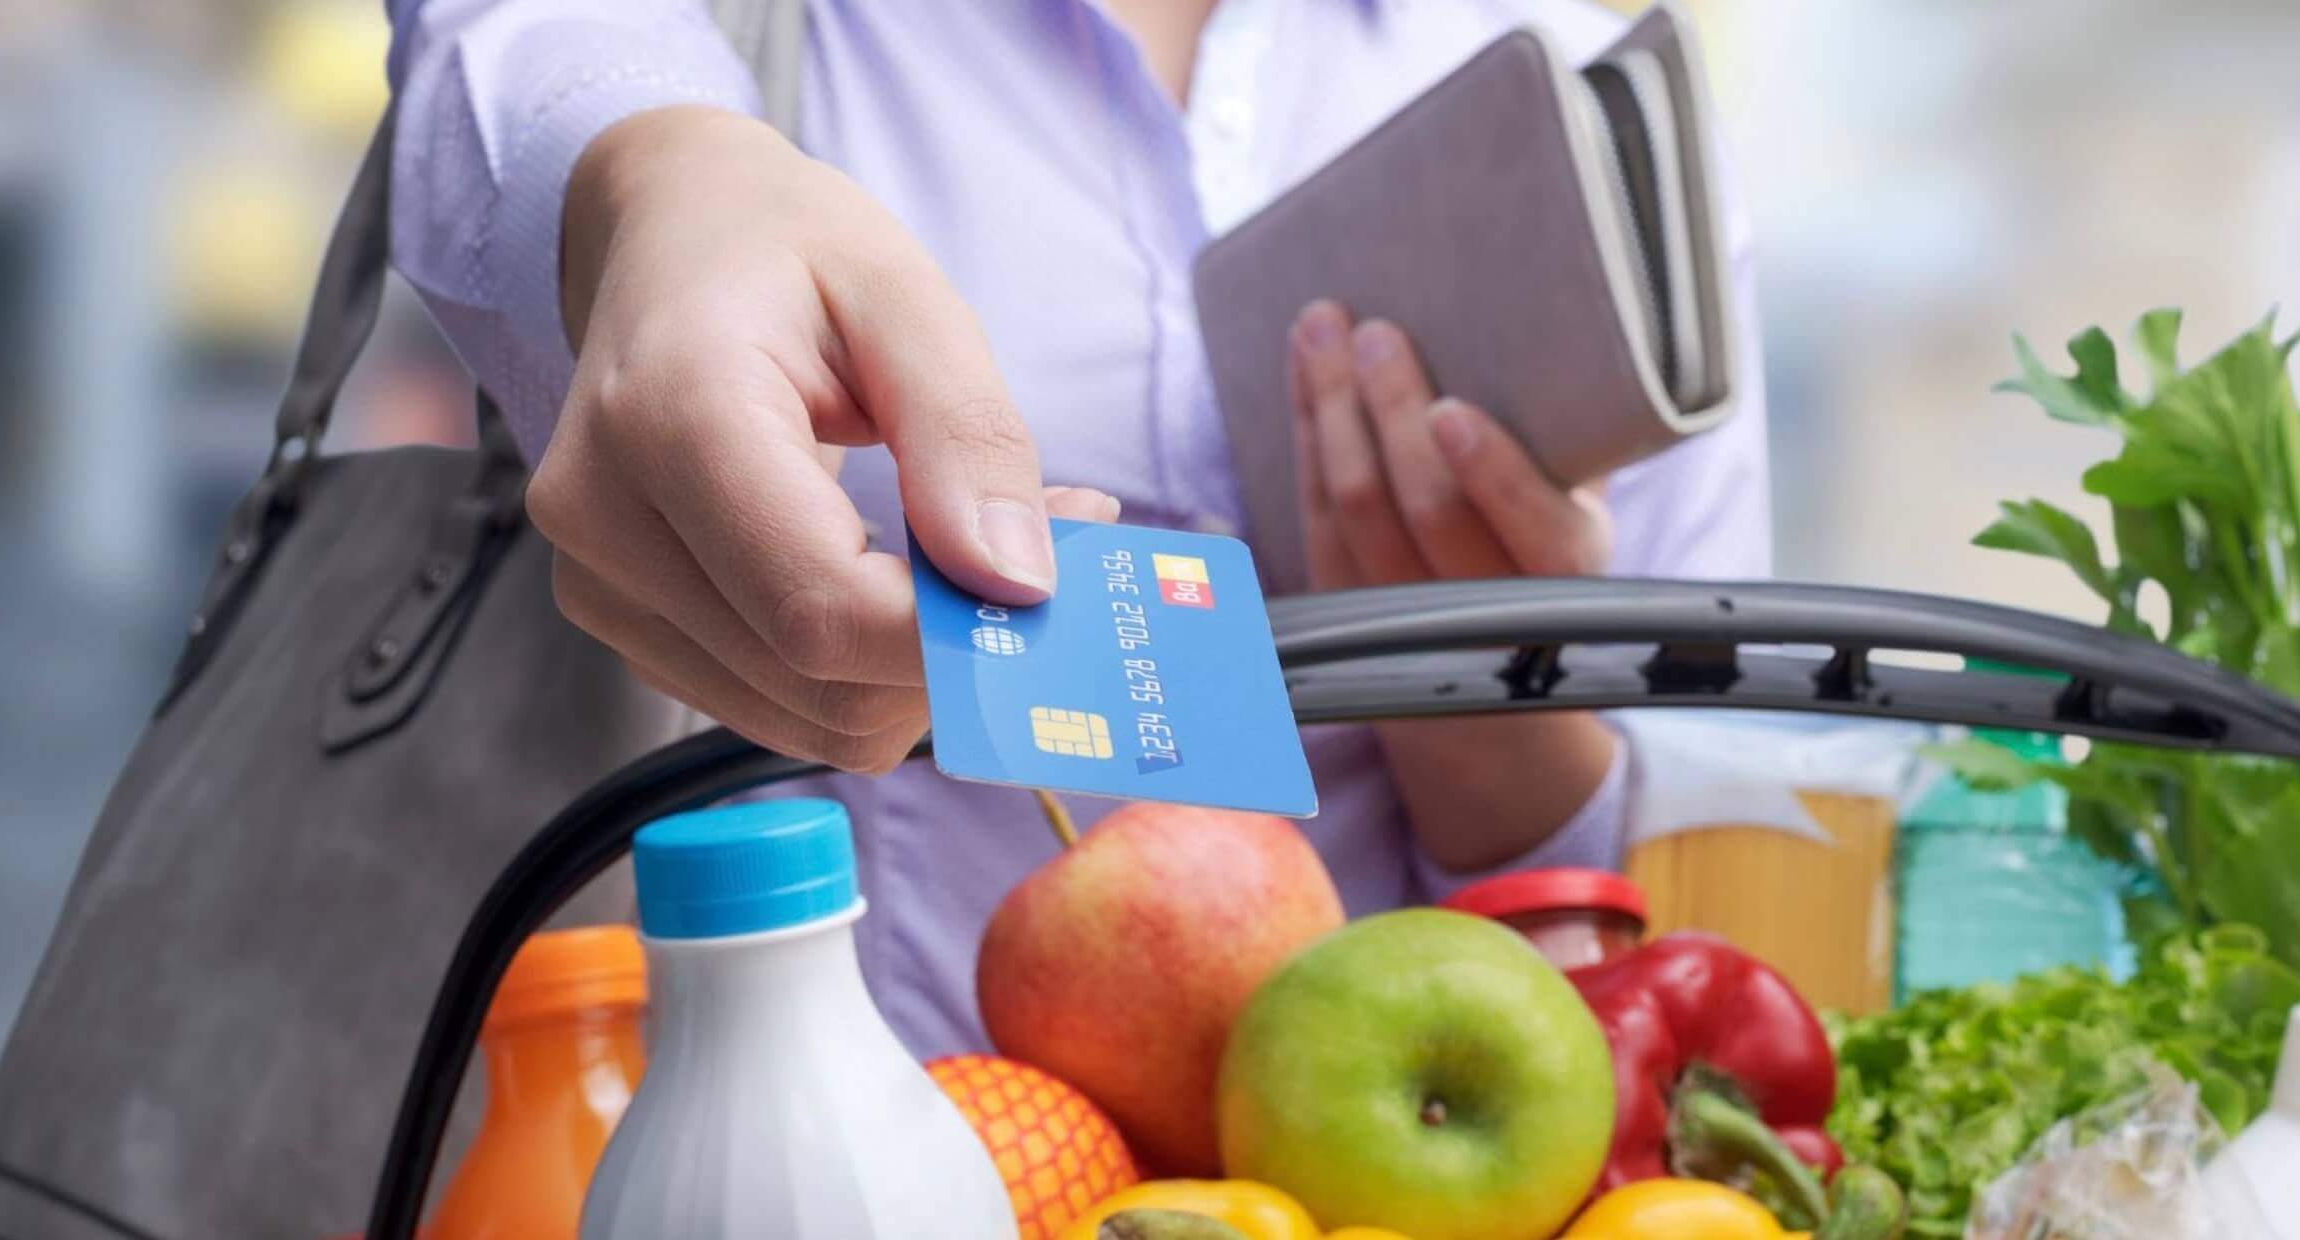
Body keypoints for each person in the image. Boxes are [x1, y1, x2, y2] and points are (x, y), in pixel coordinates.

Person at [385, 0, 1771, 1058]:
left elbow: (1713, 886)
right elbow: (521, 45)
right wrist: (663, 177)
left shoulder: (1585, 120)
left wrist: (1491, 735)